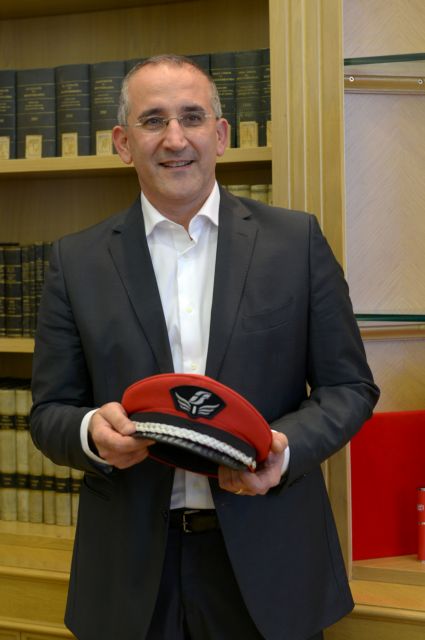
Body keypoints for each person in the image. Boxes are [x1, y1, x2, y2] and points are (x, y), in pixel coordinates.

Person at [30, 54, 379, 640]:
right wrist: (92, 432)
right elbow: (48, 412)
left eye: (192, 117)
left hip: (272, 565)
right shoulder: (76, 260)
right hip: (129, 574)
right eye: (153, 121)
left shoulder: (296, 242)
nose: (175, 139)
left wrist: (283, 450)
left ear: (220, 135)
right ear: (123, 143)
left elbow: (349, 387)